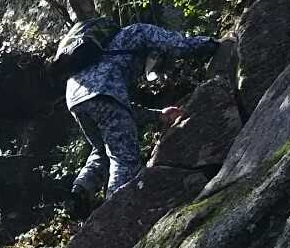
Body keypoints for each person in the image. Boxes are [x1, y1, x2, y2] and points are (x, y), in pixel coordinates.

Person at [65, 20, 218, 202]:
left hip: (75, 98)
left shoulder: (104, 55)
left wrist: (158, 115)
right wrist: (212, 44)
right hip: (103, 94)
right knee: (125, 160)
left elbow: (122, 113)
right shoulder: (138, 31)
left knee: (102, 150)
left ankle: (81, 191)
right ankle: (115, 210)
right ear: (155, 54)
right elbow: (177, 44)